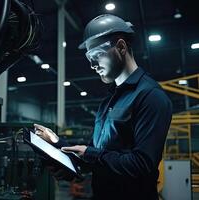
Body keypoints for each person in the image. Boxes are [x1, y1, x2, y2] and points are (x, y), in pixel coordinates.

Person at [33, 14, 172, 200]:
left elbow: (142, 164)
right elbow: (100, 155)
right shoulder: (109, 99)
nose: (92, 65)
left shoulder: (150, 96)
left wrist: (91, 154)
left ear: (121, 47)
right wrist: (59, 145)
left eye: (97, 55)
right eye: (88, 57)